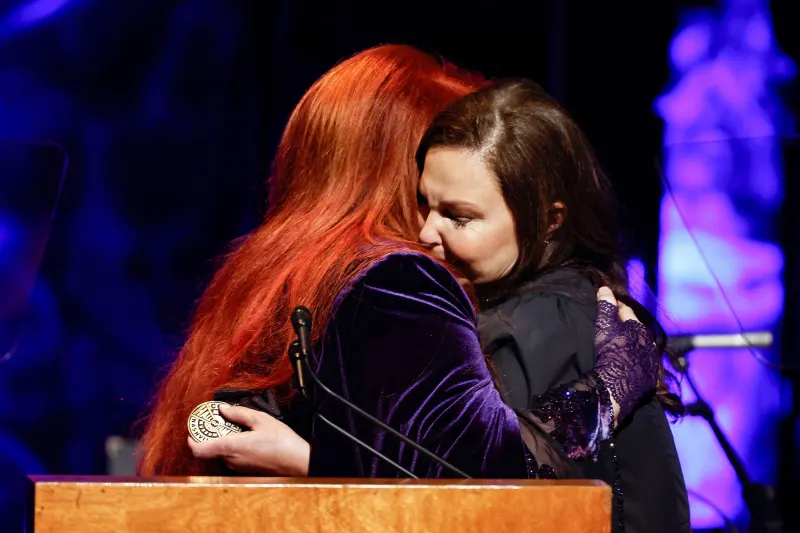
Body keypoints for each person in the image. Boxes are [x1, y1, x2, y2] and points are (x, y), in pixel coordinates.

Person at [138, 44, 658, 480]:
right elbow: (492, 478)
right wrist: (609, 387)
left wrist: (311, 459)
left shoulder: (274, 272)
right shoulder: (395, 279)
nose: (433, 227)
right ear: (402, 168)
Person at [416, 79, 690, 532]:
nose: (426, 232)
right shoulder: (567, 300)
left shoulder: (544, 321)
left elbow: (497, 486)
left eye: (458, 217)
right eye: (423, 204)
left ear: (549, 219)